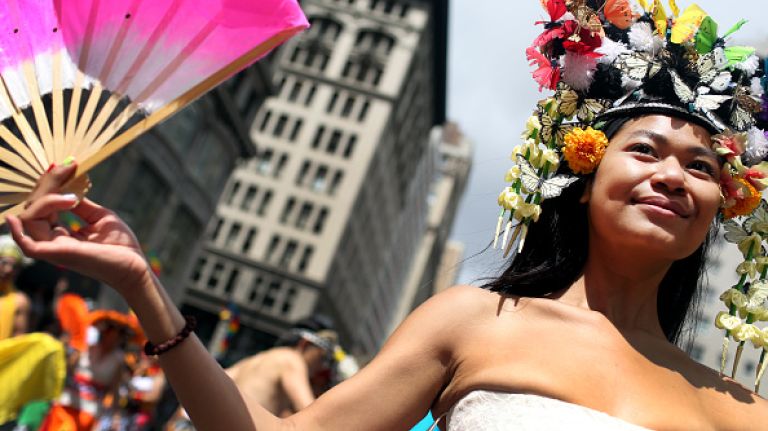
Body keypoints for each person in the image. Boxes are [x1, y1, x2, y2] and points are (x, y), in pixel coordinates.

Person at [7, 1, 768, 429]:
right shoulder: (475, 322)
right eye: (646, 150)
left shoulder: (740, 408)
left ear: (720, 205)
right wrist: (145, 286)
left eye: (701, 166)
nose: (673, 174)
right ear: (585, 168)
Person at [0, 235, 30, 340]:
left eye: (15, 266)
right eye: (4, 263)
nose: (9, 270)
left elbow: (18, 341)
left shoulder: (20, 301)